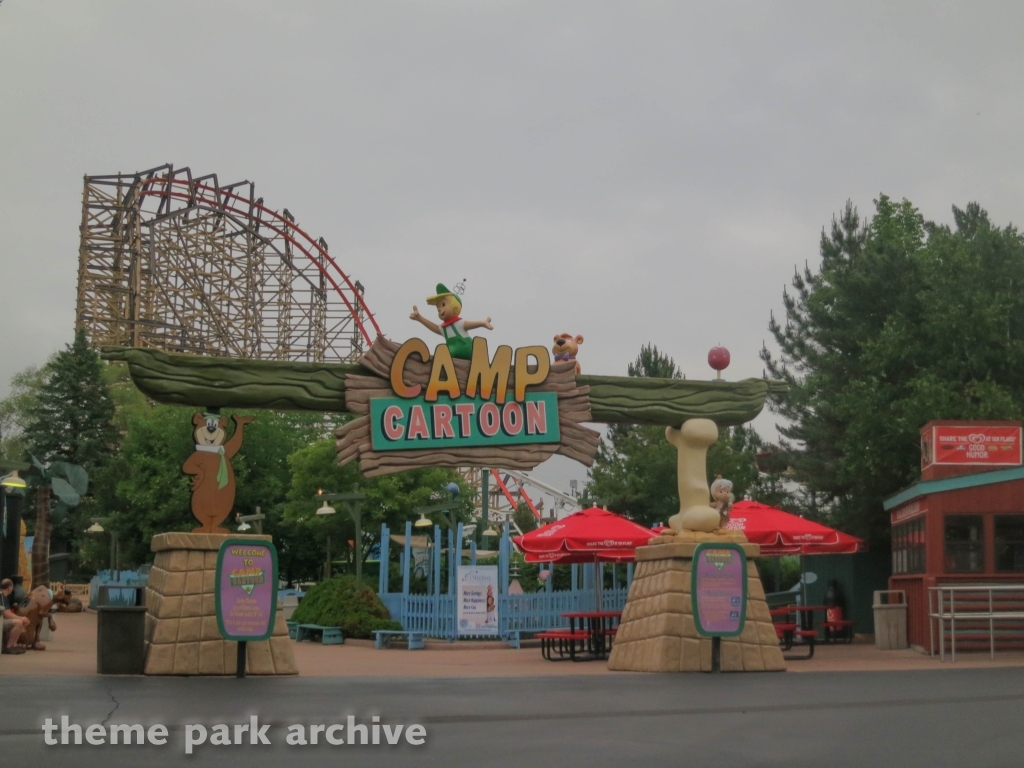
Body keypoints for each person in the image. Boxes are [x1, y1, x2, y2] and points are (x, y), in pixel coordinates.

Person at [410, 283, 493, 360]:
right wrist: (420, 318)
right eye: (438, 308)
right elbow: (434, 327)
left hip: (467, 348)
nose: (439, 309)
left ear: (455, 307)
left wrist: (483, 323)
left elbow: (471, 324)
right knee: (443, 355)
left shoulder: (459, 323)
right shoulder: (443, 328)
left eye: (443, 305)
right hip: (452, 350)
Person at [2, 578, 28, 654]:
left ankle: (13, 645)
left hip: (2, 619)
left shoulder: (4, 597)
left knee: (20, 622)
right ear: (10, 587)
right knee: (18, 622)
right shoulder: (2, 596)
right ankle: (9, 647)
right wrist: (21, 618)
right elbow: (7, 614)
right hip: (1, 621)